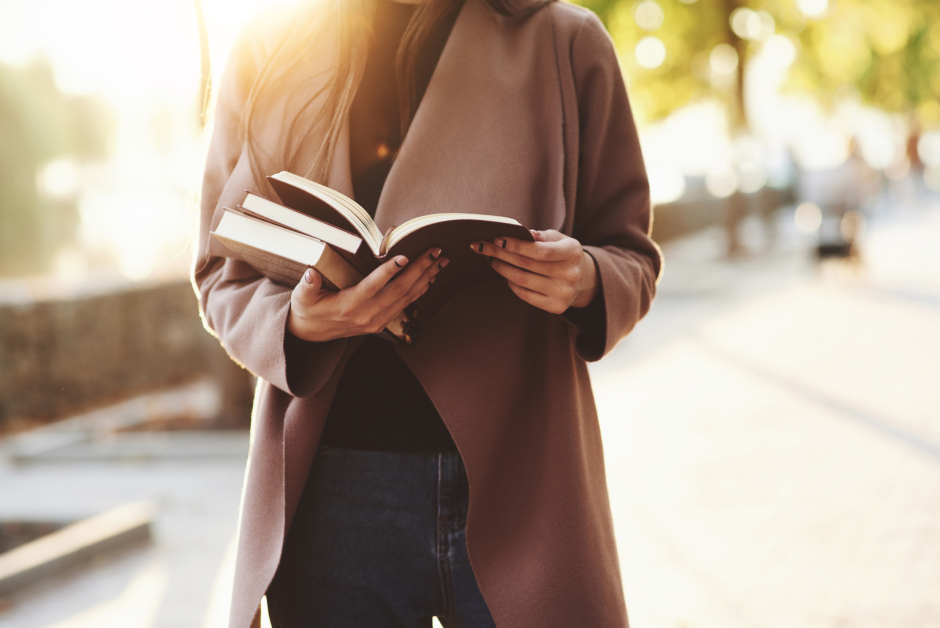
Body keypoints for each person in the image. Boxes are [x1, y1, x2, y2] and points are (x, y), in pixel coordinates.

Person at [193, 0, 662, 626]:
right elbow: (221, 270)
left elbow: (632, 253)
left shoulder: (563, 40)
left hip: (523, 480)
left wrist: (585, 279)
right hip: (333, 489)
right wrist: (300, 325)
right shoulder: (270, 46)